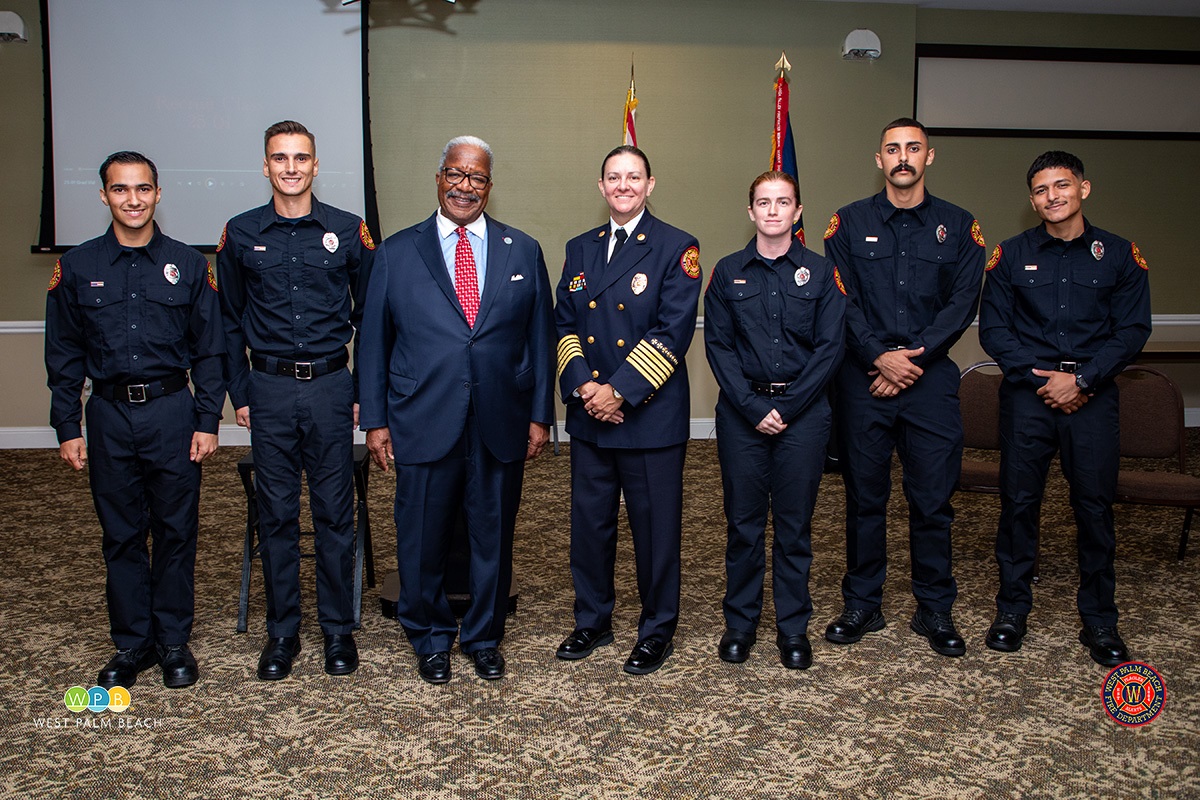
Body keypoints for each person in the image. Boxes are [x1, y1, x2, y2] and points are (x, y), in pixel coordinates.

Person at [359, 136, 554, 684]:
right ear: (439, 177)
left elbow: (541, 339)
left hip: (501, 417)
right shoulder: (397, 252)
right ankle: (429, 636)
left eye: (477, 178)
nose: (465, 186)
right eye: (455, 174)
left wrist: (540, 415)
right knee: (421, 533)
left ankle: (485, 636)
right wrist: (375, 421)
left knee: (493, 531)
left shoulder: (523, 249)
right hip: (421, 414)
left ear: (490, 186)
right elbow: (373, 342)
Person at [45, 151, 225, 689]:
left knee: (175, 531)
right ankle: (132, 644)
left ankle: (173, 642)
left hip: (172, 412)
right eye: (120, 190)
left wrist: (207, 420)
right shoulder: (77, 267)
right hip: (107, 416)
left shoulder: (190, 266)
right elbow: (63, 354)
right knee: (121, 535)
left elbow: (209, 350)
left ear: (158, 194)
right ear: (104, 196)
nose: (133, 200)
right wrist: (67, 425)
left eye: (143, 189)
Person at [979, 151, 1150, 667]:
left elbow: (1132, 331)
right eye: (1040, 190)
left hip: (1091, 398)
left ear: (1084, 189)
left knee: (1094, 510)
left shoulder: (1119, 255)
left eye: (1062, 185)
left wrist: (1082, 379)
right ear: (1031, 199)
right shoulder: (1009, 255)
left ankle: (1100, 620)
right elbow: (994, 332)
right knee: (1018, 505)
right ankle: (1011, 609)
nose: (1051, 196)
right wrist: (1044, 380)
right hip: (1028, 398)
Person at [822, 118, 986, 657]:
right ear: (878, 159)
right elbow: (841, 301)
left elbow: (962, 304)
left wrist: (909, 361)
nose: (902, 157)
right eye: (892, 148)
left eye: (913, 148)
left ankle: (934, 608)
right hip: (865, 377)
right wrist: (879, 356)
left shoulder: (960, 227)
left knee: (932, 501)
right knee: (865, 497)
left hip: (929, 379)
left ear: (929, 157)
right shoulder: (846, 224)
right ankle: (863, 603)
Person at [217, 121, 375, 680]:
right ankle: (282, 632)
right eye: (279, 158)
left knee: (335, 512)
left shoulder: (347, 230)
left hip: (332, 387)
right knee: (276, 515)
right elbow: (227, 320)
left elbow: (369, 318)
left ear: (315, 164)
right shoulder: (239, 233)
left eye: (300, 157)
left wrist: (363, 390)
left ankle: (337, 631)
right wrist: (241, 392)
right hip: (270, 389)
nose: (290, 167)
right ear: (265, 166)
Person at [554, 145, 702, 675]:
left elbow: (672, 332)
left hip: (649, 417)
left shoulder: (677, 247)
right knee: (589, 527)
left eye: (632, 177)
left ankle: (656, 629)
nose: (623, 185)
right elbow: (565, 325)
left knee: (655, 531)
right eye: (613, 177)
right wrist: (586, 390)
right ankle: (592, 620)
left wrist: (616, 391)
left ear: (650, 184)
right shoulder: (579, 248)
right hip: (591, 416)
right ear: (601, 187)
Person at [703, 172, 845, 670]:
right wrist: (754, 408)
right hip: (743, 415)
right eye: (763, 202)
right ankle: (739, 625)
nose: (772, 210)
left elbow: (830, 349)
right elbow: (718, 348)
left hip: (803, 416)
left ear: (797, 211)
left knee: (794, 526)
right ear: (750, 212)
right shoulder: (725, 273)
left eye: (782, 202)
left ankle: (792, 629)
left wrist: (785, 409)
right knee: (742, 525)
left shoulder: (822, 273)